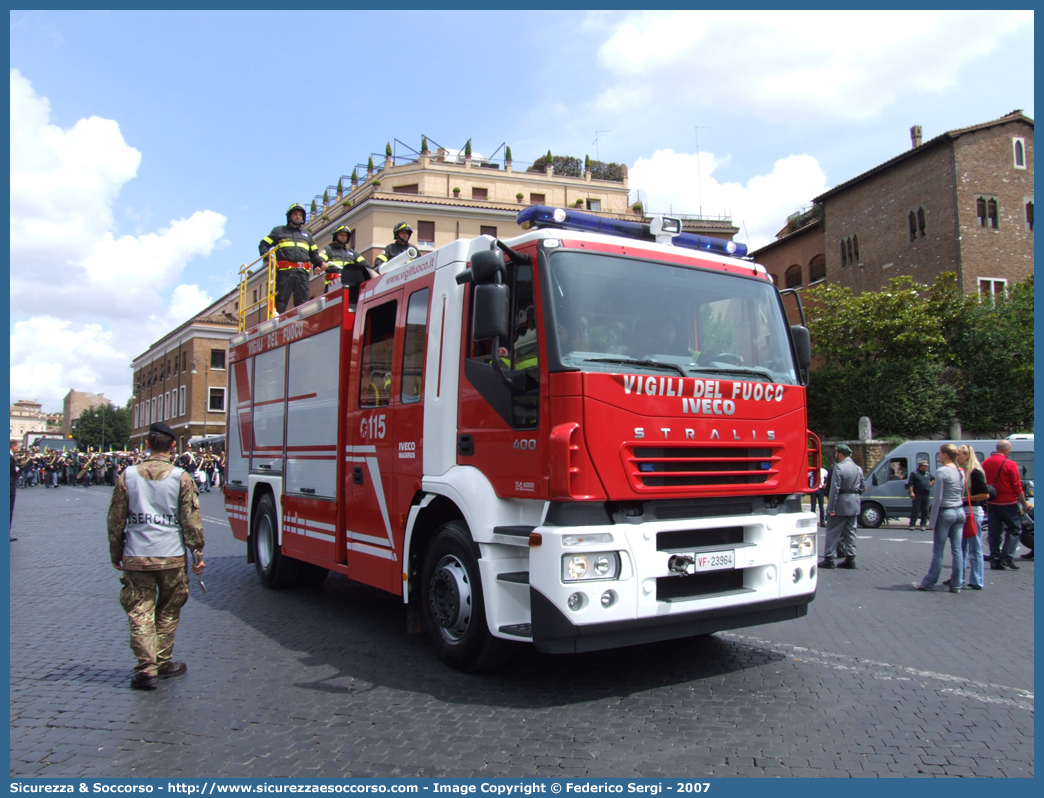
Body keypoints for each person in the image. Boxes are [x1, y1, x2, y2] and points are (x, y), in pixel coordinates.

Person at [107, 422, 205, 690]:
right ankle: (162, 660)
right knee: (169, 610)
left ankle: (146, 668)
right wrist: (197, 554)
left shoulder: (127, 476)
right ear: (173, 446)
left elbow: (116, 520)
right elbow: (191, 521)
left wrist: (116, 552)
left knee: (140, 611)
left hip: (137, 554)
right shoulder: (181, 477)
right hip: (171, 554)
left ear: (146, 444)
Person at [913, 444, 966, 593]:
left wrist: (932, 519)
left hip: (946, 512)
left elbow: (938, 498)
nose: (939, 456)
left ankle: (929, 582)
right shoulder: (961, 471)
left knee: (938, 551)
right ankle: (956, 584)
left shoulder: (942, 472)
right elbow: (961, 493)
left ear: (945, 455)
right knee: (957, 550)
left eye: (940, 454)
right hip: (959, 511)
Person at [259, 203, 325, 314]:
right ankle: (277, 323)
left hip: (302, 274)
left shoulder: (307, 235)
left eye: (300, 215)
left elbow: (314, 254)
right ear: (289, 216)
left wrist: (321, 263)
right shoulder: (278, 231)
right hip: (285, 273)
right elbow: (263, 245)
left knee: (303, 303)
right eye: (295, 214)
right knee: (280, 302)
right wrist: (269, 258)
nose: (298, 216)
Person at [982, 439, 1032, 571]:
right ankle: (1007, 558)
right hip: (1008, 502)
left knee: (994, 531)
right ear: (1007, 451)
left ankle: (995, 560)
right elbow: (1016, 486)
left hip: (992, 501)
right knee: (1014, 529)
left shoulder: (986, 463)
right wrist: (1024, 502)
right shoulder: (1010, 464)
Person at [818, 443, 865, 569]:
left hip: (841, 503)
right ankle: (850, 557)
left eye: (836, 454)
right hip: (854, 502)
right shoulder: (858, 468)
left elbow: (834, 490)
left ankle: (829, 557)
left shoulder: (839, 468)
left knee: (832, 531)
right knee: (850, 531)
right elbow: (862, 488)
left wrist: (830, 508)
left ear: (841, 454)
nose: (836, 456)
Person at [953, 445, 990, 590]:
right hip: (966, 511)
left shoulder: (975, 472)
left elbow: (985, 494)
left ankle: (976, 580)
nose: (957, 458)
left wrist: (965, 499)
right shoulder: (965, 471)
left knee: (974, 548)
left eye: (959, 455)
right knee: (962, 548)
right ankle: (960, 578)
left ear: (967, 455)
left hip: (973, 511)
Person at [322, 225, 373, 304]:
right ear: (336, 236)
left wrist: (375, 269)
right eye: (341, 235)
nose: (343, 237)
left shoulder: (352, 253)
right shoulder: (328, 250)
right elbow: (320, 259)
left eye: (345, 235)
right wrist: (321, 264)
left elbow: (364, 263)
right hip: (333, 286)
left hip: (349, 286)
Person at [905, 460, 934, 529]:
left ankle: (923, 524)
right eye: (925, 466)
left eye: (927, 466)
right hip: (918, 494)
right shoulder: (915, 473)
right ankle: (912, 524)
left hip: (926, 494)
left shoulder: (927, 474)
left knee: (925, 510)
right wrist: (912, 492)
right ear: (921, 466)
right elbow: (910, 483)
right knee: (916, 509)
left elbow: (933, 479)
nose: (926, 467)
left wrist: (929, 484)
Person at [10, 441, 20, 542]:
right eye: (17, 446)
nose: (18, 448)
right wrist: (15, 470)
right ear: (13, 447)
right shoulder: (10, 457)